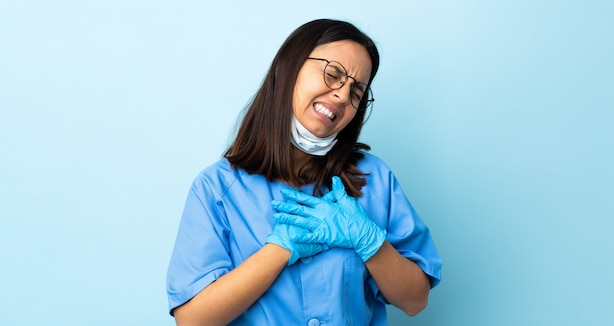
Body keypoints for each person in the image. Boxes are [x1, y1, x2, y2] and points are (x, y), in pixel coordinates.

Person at [166, 18, 442, 325]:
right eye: (333, 74)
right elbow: (192, 320)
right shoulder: (216, 189)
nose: (342, 95)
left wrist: (369, 241)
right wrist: (279, 250)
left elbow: (415, 300)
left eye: (356, 92)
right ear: (289, 67)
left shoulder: (375, 181)